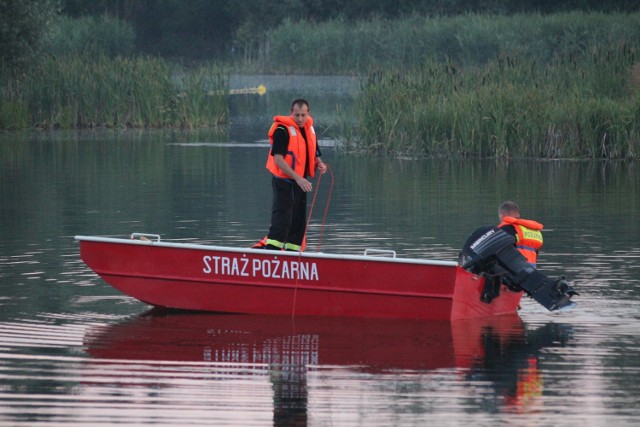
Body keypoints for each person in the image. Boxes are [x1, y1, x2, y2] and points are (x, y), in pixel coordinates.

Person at [255, 99, 327, 251]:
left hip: (300, 181)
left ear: (309, 114)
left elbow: (313, 151)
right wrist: (298, 178)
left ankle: (293, 253)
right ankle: (271, 251)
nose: (300, 119)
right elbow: (278, 160)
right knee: (282, 218)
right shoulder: (282, 130)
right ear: (291, 113)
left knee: (299, 220)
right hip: (284, 181)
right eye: (297, 115)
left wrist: (319, 163)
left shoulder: (309, 129)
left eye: (303, 115)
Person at [497, 201, 544, 267]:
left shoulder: (507, 228)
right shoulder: (535, 231)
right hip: (531, 271)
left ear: (502, 214)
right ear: (518, 214)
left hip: (513, 270)